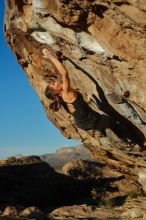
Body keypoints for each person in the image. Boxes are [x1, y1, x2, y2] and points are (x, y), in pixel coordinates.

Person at [42, 48, 101, 131]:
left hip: (82, 123)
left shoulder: (62, 97)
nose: (55, 82)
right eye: (53, 85)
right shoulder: (66, 93)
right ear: (56, 91)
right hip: (90, 122)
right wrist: (51, 57)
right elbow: (64, 73)